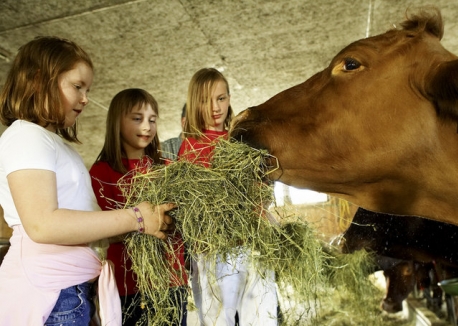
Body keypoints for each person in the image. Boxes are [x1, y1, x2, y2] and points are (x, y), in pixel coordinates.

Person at [0, 36, 174, 326]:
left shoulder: (54, 143)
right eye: (77, 86)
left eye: (87, 89)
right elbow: (43, 225)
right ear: (39, 80)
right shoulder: (26, 136)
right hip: (52, 294)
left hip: (71, 292)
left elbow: (80, 225)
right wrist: (136, 219)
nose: (85, 98)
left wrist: (145, 223)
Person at [178, 67, 278, 326]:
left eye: (221, 98)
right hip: (214, 250)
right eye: (205, 100)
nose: (215, 108)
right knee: (217, 318)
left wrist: (261, 200)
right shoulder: (191, 147)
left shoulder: (242, 141)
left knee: (261, 315)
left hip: (251, 244)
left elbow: (261, 188)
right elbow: (194, 204)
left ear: (230, 98)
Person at [89, 88, 188, 326]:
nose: (147, 126)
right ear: (117, 122)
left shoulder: (165, 168)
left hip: (172, 279)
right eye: (137, 118)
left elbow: (181, 216)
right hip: (130, 284)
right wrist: (140, 225)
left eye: (152, 120)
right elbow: (101, 230)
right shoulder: (102, 173)